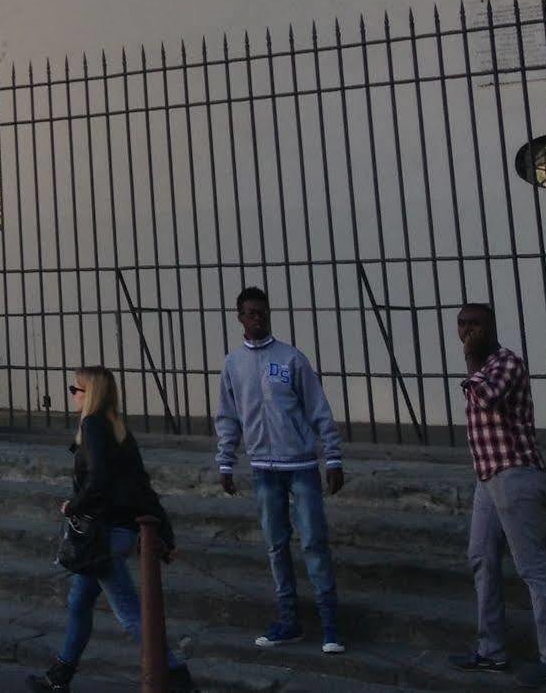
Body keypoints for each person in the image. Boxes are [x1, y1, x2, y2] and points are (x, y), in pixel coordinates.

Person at [28, 366, 194, 692]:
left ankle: (177, 676)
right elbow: (141, 485)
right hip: (121, 531)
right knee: (80, 600)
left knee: (130, 612)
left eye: (76, 389)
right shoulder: (118, 429)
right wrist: (166, 531)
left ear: (91, 395)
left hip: (102, 534)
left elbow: (99, 480)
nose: (73, 395)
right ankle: (60, 676)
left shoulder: (91, 425)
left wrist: (73, 506)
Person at [213, 286, 345, 654]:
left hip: (301, 464)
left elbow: (318, 408)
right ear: (239, 317)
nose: (258, 318)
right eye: (250, 313)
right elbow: (228, 417)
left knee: (315, 542)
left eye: (262, 312)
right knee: (276, 545)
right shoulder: (233, 365)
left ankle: (330, 624)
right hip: (262, 469)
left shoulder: (291, 359)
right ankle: (289, 620)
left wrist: (332, 455)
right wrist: (226, 460)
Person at [450, 302, 546, 681]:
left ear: (491, 327)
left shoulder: (507, 363)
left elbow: (488, 397)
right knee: (480, 558)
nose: (468, 331)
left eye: (476, 325)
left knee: (532, 567)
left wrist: (471, 359)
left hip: (515, 473)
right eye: (463, 325)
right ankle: (492, 650)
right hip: (487, 477)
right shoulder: (481, 370)